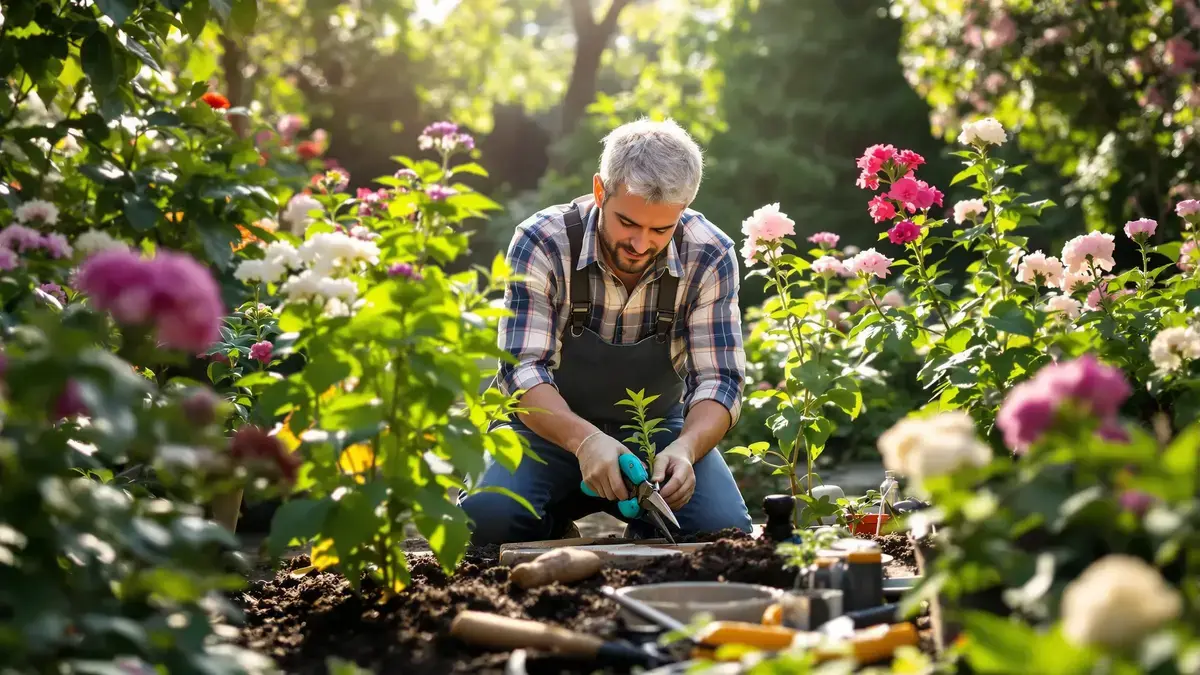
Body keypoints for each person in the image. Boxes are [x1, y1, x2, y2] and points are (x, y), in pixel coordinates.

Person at [460, 118, 753, 545]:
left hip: (656, 434)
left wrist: (686, 449)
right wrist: (584, 442)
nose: (640, 244)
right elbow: (522, 372)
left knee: (719, 532)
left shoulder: (709, 254)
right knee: (487, 520)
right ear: (601, 190)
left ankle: (648, 524)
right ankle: (552, 523)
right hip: (544, 430)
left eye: (660, 229)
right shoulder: (542, 241)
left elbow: (720, 379)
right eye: (627, 223)